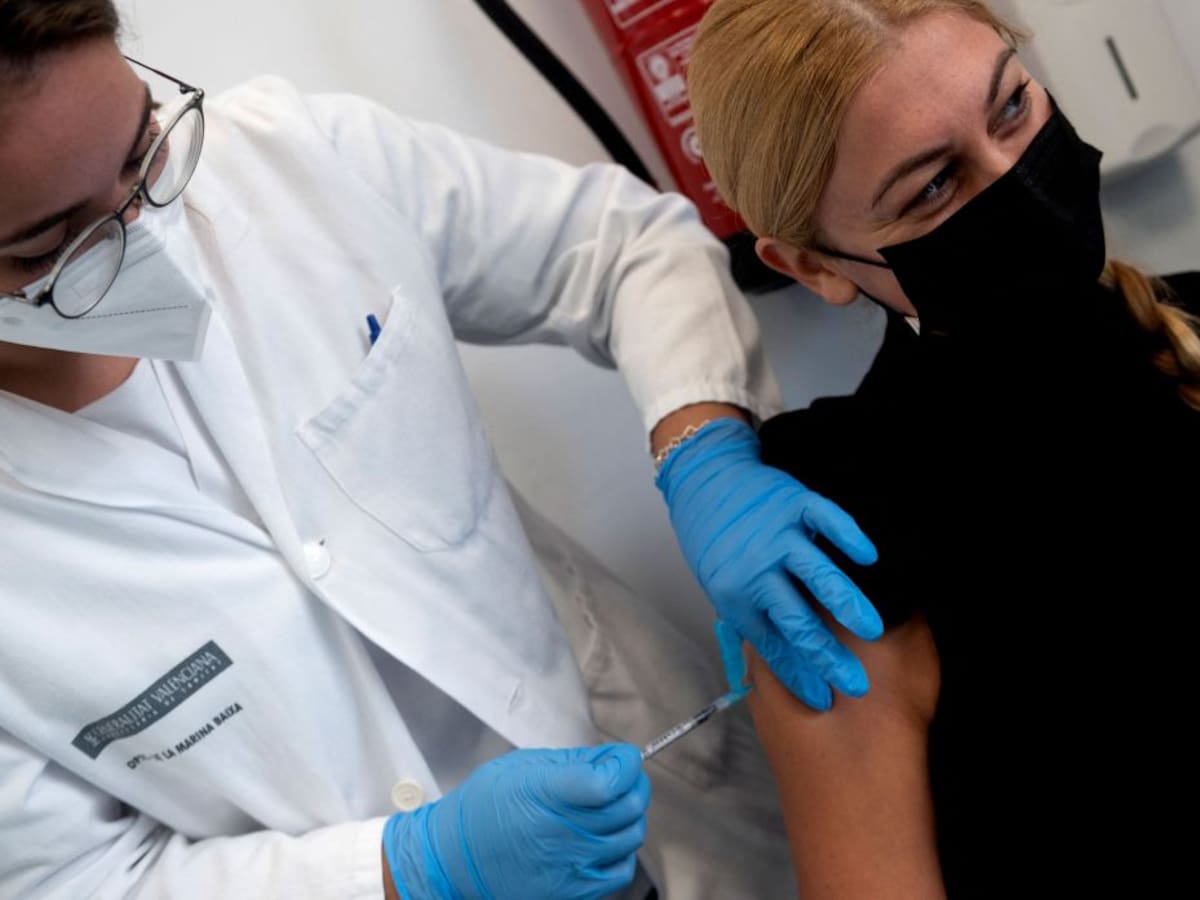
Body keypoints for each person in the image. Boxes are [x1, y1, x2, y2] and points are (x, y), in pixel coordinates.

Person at [0, 0, 879, 897]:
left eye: (144, 152)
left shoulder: (288, 166)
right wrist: (408, 871)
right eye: (49, 244)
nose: (145, 231)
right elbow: (70, 881)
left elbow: (623, 249)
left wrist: (703, 453)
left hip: (692, 813)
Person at [687, 0, 1200, 896]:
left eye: (1011, 109)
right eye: (932, 187)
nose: (1016, 179)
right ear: (814, 266)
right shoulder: (841, 536)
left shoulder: (1188, 319)